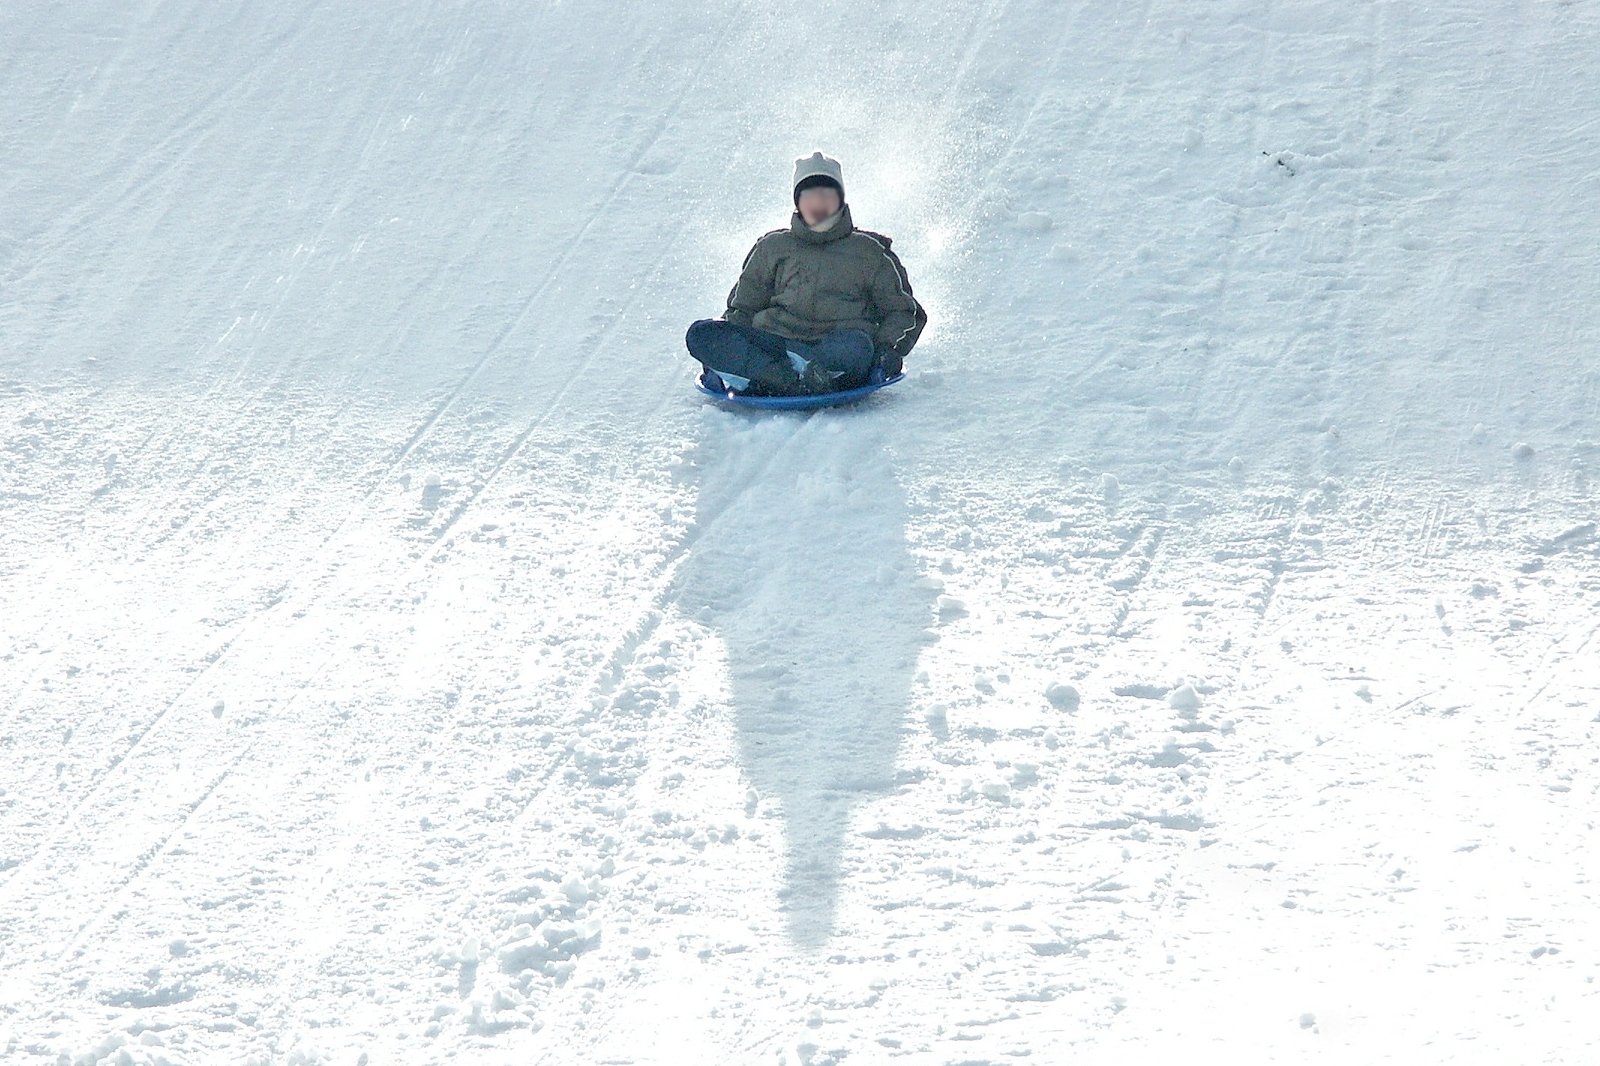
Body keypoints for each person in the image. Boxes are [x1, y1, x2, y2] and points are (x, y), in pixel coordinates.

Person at [686, 151, 928, 396]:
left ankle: (782, 376)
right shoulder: (773, 247)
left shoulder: (869, 252)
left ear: (840, 200)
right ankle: (784, 377)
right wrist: (725, 347)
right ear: (798, 203)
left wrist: (889, 350)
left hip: (836, 347)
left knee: (858, 348)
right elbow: (743, 310)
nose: (818, 205)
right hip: (777, 343)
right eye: (809, 197)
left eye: (826, 196)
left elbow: (904, 311)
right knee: (701, 333)